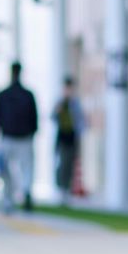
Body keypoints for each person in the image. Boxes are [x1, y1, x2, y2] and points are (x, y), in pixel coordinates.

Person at [0, 62, 39, 212]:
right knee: (27, 169)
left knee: (7, 172)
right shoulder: (28, 95)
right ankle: (25, 191)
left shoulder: (2, 95)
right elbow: (34, 120)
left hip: (8, 138)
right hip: (25, 138)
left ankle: (7, 200)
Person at [51, 76, 84, 205]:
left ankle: (67, 189)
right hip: (62, 137)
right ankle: (61, 189)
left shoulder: (75, 103)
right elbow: (52, 117)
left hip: (72, 137)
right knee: (62, 163)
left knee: (70, 164)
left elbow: (80, 121)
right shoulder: (59, 103)